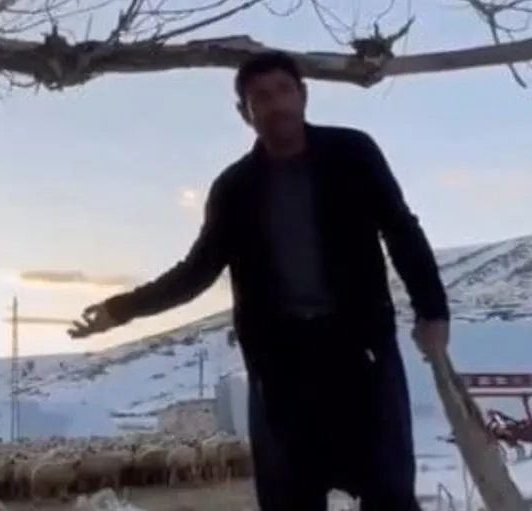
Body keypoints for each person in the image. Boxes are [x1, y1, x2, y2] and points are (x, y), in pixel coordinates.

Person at [67, 51, 450, 510]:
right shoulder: (235, 188)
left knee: (388, 492)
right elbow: (197, 271)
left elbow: (401, 229)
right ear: (245, 113)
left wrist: (433, 310)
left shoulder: (353, 154)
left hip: (360, 355)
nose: (276, 105)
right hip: (282, 368)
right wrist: (121, 309)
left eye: (284, 91)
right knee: (289, 498)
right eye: (261, 97)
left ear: (303, 95)